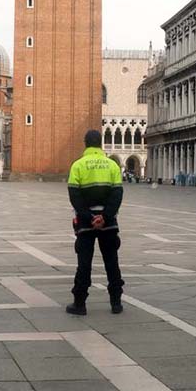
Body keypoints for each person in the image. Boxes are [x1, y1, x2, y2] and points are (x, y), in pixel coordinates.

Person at [66, 129, 125, 316]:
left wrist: (89, 217)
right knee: (111, 262)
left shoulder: (78, 165)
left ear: (85, 143)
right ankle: (116, 303)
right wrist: (105, 217)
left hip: (85, 223)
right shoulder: (112, 165)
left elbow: (74, 196)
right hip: (108, 223)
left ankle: (80, 303)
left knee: (84, 263)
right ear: (100, 144)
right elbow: (117, 195)